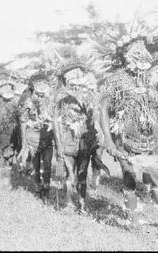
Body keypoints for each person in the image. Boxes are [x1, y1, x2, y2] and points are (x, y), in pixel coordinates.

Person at [96, 33, 158, 230]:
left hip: (149, 139)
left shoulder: (152, 76)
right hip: (125, 139)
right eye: (134, 48)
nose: (140, 52)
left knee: (156, 178)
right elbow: (103, 109)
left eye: (142, 48)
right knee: (129, 178)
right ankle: (134, 220)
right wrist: (109, 141)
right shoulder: (116, 79)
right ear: (125, 54)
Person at [52, 63, 102, 213]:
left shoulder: (91, 96)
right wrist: (59, 144)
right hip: (67, 140)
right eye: (73, 76)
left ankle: (82, 202)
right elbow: (55, 122)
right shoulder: (60, 97)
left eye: (79, 75)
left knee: (82, 173)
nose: (77, 79)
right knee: (70, 174)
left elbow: (96, 118)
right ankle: (68, 202)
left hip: (85, 141)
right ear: (66, 80)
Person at [17, 71, 54, 204]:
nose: (42, 87)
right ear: (33, 87)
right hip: (33, 137)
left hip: (48, 139)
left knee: (48, 165)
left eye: (44, 84)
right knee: (36, 164)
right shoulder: (28, 101)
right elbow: (23, 121)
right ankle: (38, 188)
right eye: (39, 85)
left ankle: (46, 189)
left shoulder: (51, 102)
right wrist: (24, 141)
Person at [0, 81, 20, 185]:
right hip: (0, 135)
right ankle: (2, 183)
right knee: (1, 157)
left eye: (8, 89)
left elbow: (19, 120)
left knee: (10, 157)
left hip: (13, 134)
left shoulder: (15, 104)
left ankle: (7, 181)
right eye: (3, 89)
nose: (6, 92)